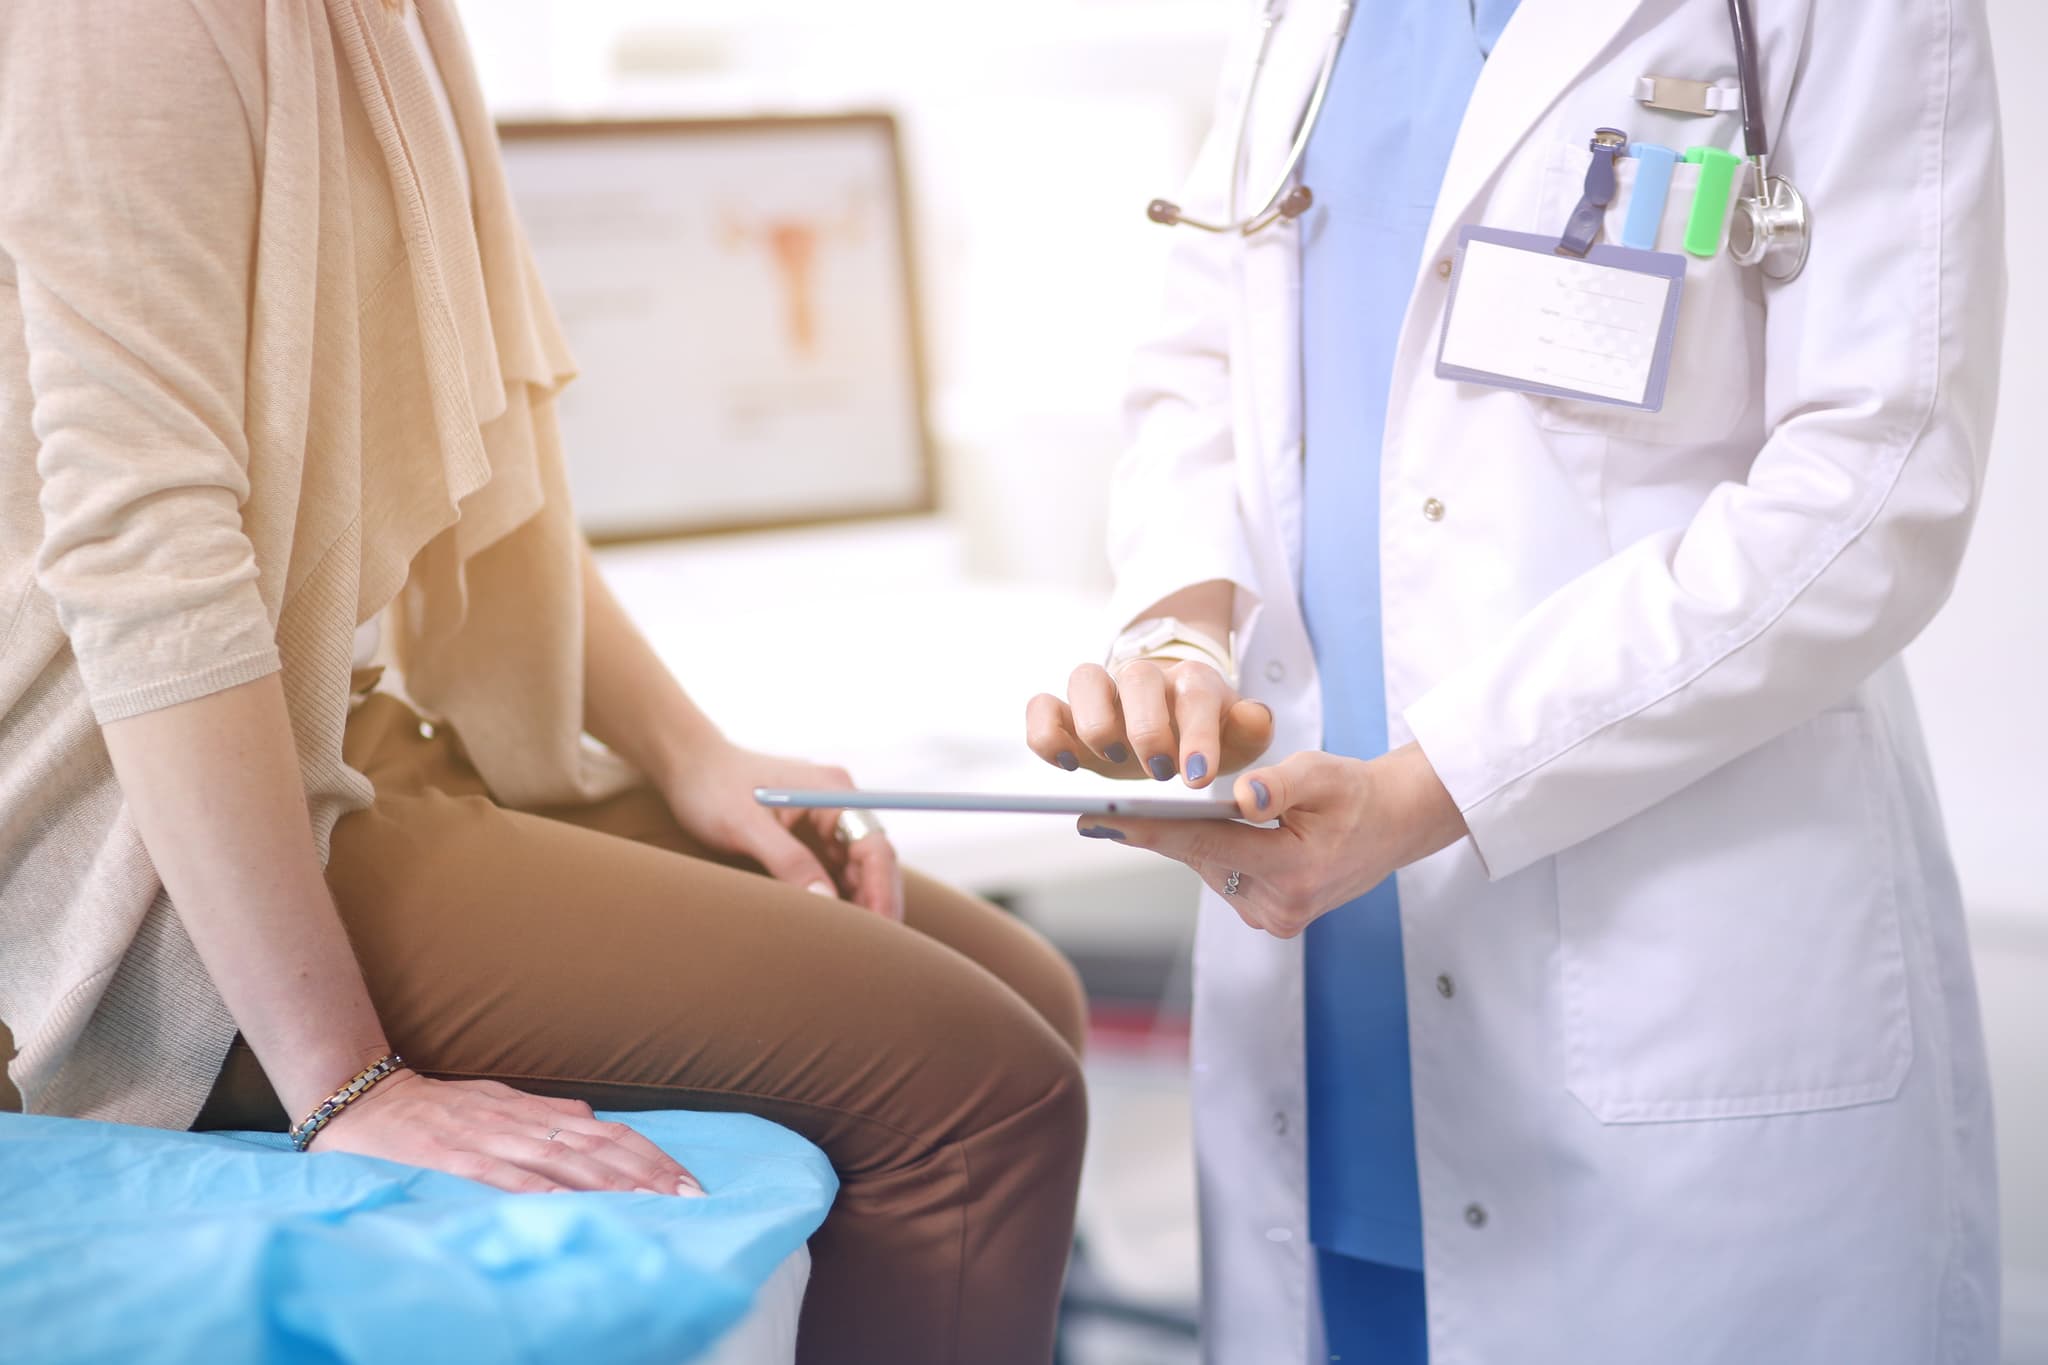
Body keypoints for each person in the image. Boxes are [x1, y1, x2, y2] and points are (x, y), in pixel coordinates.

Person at [0, 4, 1085, 1361]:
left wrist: (687, 744)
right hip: (127, 828)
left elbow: (468, 443)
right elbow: (145, 564)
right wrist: (349, 1084)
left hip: (322, 730)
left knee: (1024, 985)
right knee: (983, 1092)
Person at [1025, 0, 2004, 1360]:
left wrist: (1434, 786)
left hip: (1661, 986)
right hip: (1328, 994)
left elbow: (1875, 480)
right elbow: (1212, 338)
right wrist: (1182, 627)